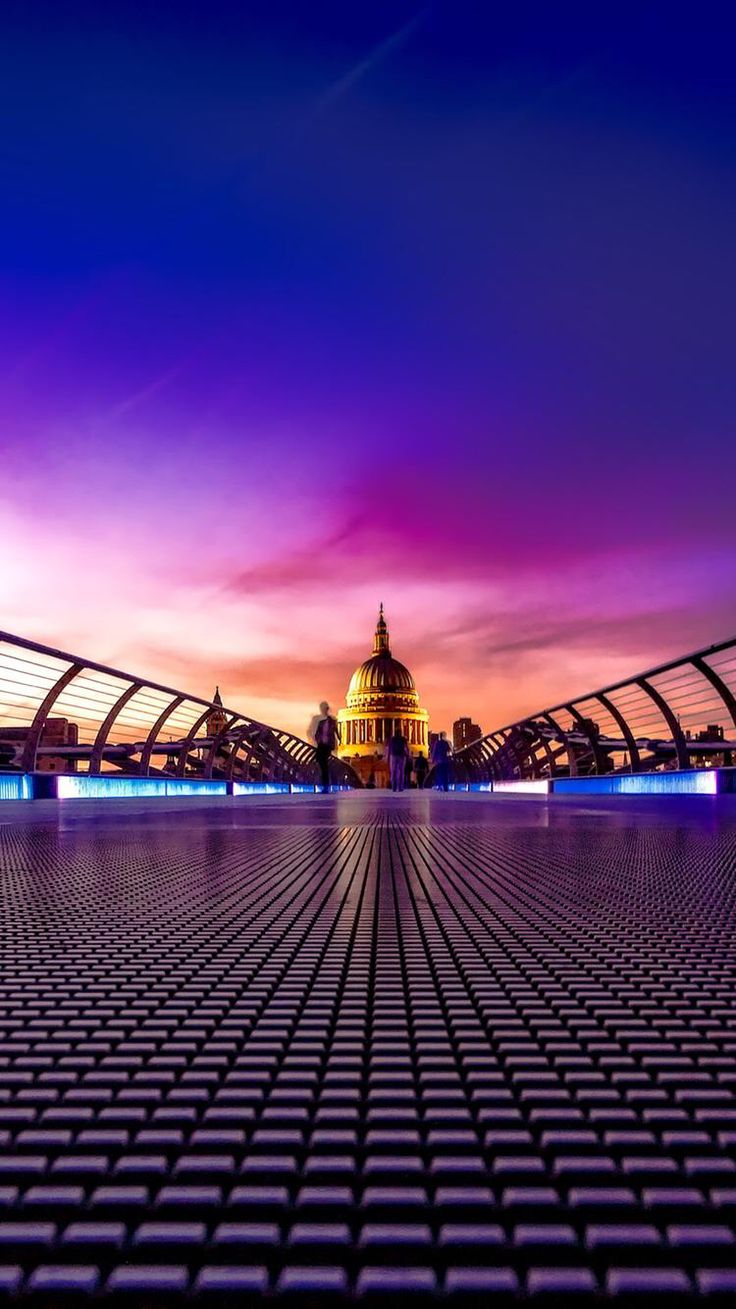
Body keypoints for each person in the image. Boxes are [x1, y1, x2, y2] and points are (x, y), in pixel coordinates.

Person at [312, 702, 340, 794]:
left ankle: (325, 786)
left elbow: (337, 733)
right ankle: (325, 784)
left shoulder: (333, 721)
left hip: (327, 745)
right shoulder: (321, 722)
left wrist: (338, 741)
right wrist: (319, 740)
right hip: (321, 745)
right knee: (320, 762)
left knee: (324, 765)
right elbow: (316, 734)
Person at [387, 728, 410, 792]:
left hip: (395, 756)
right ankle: (399, 787)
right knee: (400, 772)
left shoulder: (393, 739)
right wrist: (408, 755)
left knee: (394, 772)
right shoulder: (402, 739)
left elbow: (389, 749)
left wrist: (388, 757)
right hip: (399, 756)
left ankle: (395, 787)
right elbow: (407, 748)